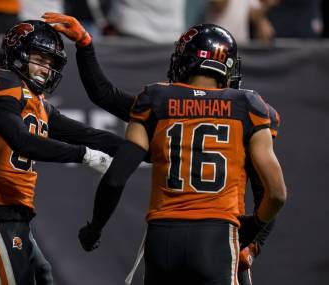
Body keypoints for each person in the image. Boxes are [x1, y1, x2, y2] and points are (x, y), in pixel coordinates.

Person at [44, 14, 287, 284]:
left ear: (186, 60)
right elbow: (273, 193)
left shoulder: (157, 101)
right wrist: (251, 238)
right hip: (218, 234)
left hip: (163, 235)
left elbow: (114, 176)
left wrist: (95, 228)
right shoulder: (249, 108)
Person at [0, 20, 124, 284]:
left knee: (43, 276)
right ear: (17, 54)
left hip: (15, 220)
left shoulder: (37, 103)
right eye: (39, 58)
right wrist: (83, 155)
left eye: (50, 63)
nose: (45, 69)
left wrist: (141, 150)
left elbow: (88, 134)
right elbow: (21, 140)